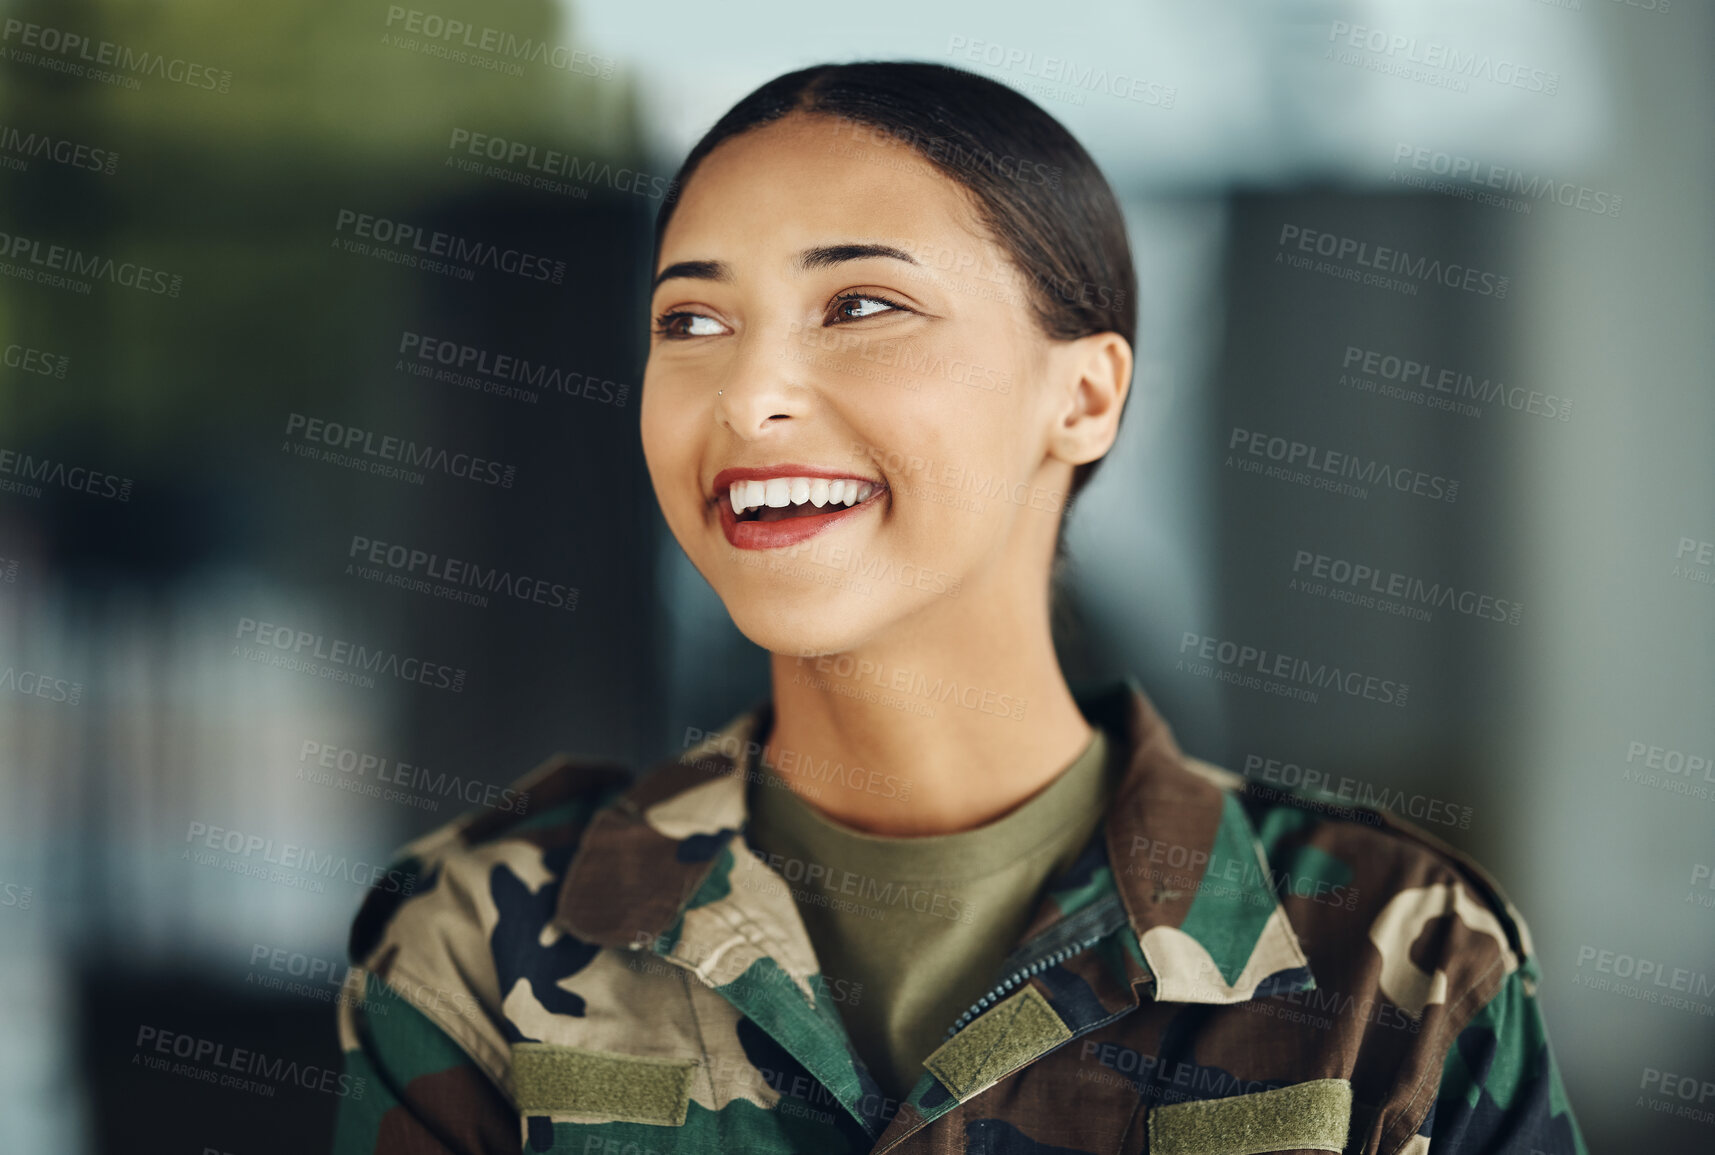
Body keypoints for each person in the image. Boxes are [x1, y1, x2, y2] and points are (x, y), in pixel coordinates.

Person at [331, 61, 1585, 1155]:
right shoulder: (479, 941)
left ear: (1085, 396)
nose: (750, 394)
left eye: (861, 306)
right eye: (692, 319)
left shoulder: (1390, 953)